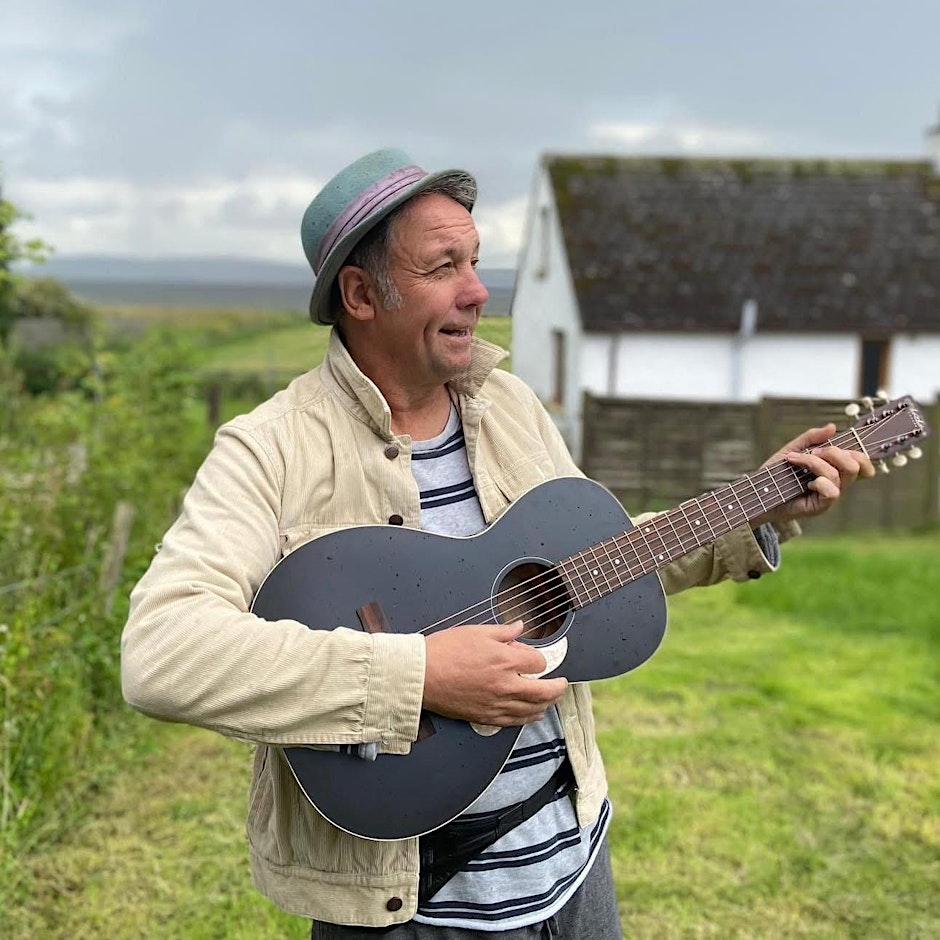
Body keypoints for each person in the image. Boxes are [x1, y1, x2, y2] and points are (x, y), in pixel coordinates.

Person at [120, 148, 874, 938]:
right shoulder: (268, 448)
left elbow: (590, 570)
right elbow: (162, 654)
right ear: (360, 293)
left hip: (572, 864)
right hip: (409, 912)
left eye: (476, 261)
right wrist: (416, 676)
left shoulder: (508, 405)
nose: (478, 291)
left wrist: (758, 507)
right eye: (443, 265)